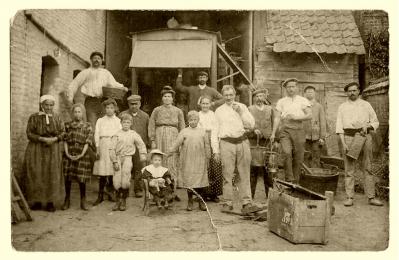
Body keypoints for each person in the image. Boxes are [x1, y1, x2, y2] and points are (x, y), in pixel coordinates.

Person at [215, 85, 261, 214]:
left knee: (244, 173)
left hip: (242, 142)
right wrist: (216, 150)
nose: (229, 97)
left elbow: (251, 125)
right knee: (227, 174)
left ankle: (246, 202)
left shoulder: (243, 107)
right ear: (223, 96)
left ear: (234, 95)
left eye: (231, 95)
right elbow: (215, 131)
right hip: (226, 142)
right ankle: (228, 202)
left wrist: (241, 112)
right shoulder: (219, 110)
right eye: (226, 95)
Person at [336, 82, 383, 207]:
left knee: (368, 167)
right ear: (346, 92)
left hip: (364, 137)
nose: (352, 93)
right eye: (349, 91)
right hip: (348, 138)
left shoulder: (366, 105)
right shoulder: (342, 107)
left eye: (354, 90)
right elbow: (339, 126)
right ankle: (349, 197)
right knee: (349, 169)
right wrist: (343, 143)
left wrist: (367, 126)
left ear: (359, 91)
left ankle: (371, 197)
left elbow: (375, 122)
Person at [66, 51, 128, 130]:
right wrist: (70, 97)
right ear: (91, 60)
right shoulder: (86, 72)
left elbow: (113, 83)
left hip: (103, 102)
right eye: (94, 58)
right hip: (91, 102)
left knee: (103, 124)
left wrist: (122, 87)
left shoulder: (105, 73)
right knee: (92, 124)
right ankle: (92, 142)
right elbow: (75, 83)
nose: (97, 60)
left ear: (101, 61)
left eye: (99, 58)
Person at [24, 95, 65, 212]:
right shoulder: (34, 117)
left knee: (51, 174)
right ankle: (37, 201)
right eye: (46, 105)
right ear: (42, 105)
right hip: (37, 149)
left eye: (51, 105)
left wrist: (55, 139)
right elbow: (29, 133)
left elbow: (63, 132)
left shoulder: (57, 118)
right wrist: (41, 139)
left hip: (53, 149)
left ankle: (50, 202)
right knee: (37, 173)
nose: (48, 107)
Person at [270, 78, 312, 183]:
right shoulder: (281, 101)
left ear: (297, 88)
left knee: (299, 155)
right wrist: (273, 132)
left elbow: (310, 115)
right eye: (289, 87)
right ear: (285, 89)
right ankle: (289, 179)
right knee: (286, 152)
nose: (291, 89)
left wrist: (296, 117)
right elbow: (277, 118)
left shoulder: (303, 100)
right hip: (285, 130)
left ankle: (296, 181)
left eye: (293, 86)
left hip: (299, 130)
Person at [168, 111, 211, 211]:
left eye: (195, 119)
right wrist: (170, 152)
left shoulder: (203, 131)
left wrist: (208, 158)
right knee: (189, 181)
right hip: (188, 160)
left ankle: (201, 201)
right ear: (188, 121)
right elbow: (176, 144)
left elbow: (207, 146)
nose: (193, 122)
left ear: (198, 120)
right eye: (191, 120)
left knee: (201, 181)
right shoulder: (184, 131)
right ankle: (190, 201)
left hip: (200, 159)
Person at [148, 86, 186, 192]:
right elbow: (151, 125)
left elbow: (182, 128)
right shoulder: (156, 110)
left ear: (173, 98)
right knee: (160, 159)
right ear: (162, 98)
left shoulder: (178, 111)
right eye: (165, 96)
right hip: (159, 134)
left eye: (169, 96)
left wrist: (181, 141)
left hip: (174, 135)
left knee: (172, 160)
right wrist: (152, 140)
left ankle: (172, 190)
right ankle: (160, 190)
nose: (167, 98)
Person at [109, 113, 147, 211]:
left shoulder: (133, 134)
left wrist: (143, 155)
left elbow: (141, 144)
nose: (126, 124)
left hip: (127, 158)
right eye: (124, 122)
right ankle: (118, 201)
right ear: (121, 123)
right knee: (117, 180)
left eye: (128, 122)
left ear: (131, 123)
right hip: (118, 157)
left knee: (125, 179)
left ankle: (124, 201)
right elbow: (111, 148)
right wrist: (114, 161)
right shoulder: (116, 134)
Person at [62, 103, 94, 211]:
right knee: (68, 178)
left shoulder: (87, 126)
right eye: (75, 112)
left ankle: (83, 200)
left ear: (83, 113)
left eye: (79, 112)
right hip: (69, 153)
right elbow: (65, 141)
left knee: (82, 178)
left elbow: (87, 142)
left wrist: (81, 154)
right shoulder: (67, 125)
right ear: (72, 113)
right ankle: (67, 199)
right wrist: (67, 154)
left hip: (82, 153)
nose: (77, 114)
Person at [119, 95, 150, 198]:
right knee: (125, 168)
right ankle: (124, 189)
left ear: (140, 104)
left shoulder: (145, 116)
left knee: (138, 168)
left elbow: (148, 131)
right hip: (126, 146)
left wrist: (147, 145)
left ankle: (138, 189)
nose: (133, 106)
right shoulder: (122, 115)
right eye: (131, 104)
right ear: (128, 104)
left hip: (139, 146)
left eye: (136, 104)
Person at [93, 98, 121, 206]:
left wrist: (117, 148)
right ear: (105, 109)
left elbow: (119, 134)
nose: (109, 110)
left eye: (111, 108)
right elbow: (97, 134)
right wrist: (97, 147)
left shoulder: (118, 121)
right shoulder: (100, 120)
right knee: (103, 171)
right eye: (107, 108)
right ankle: (100, 195)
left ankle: (111, 193)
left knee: (112, 170)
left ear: (115, 109)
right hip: (103, 144)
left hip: (113, 145)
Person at [248, 88, 273, 199]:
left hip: (267, 142)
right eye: (257, 96)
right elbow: (246, 124)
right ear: (254, 98)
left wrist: (273, 137)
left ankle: (270, 196)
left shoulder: (270, 109)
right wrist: (253, 130)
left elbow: (274, 124)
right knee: (253, 169)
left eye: (261, 96)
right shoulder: (250, 109)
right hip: (254, 142)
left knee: (268, 169)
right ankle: (251, 196)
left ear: (265, 97)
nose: (259, 99)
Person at [198, 96, 223, 202]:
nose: (205, 105)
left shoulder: (213, 115)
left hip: (213, 139)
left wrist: (215, 145)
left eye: (207, 103)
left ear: (210, 104)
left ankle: (214, 194)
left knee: (214, 166)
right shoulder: (197, 115)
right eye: (203, 103)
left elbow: (217, 128)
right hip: (201, 139)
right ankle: (202, 194)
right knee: (203, 167)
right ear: (200, 104)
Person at [303, 85, 327, 168]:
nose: (310, 93)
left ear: (315, 93)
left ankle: (316, 174)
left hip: (316, 136)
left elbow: (323, 122)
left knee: (316, 156)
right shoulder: (302, 106)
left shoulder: (319, 106)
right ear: (305, 94)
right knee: (305, 156)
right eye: (308, 92)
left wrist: (322, 137)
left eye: (311, 92)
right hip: (304, 136)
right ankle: (305, 176)